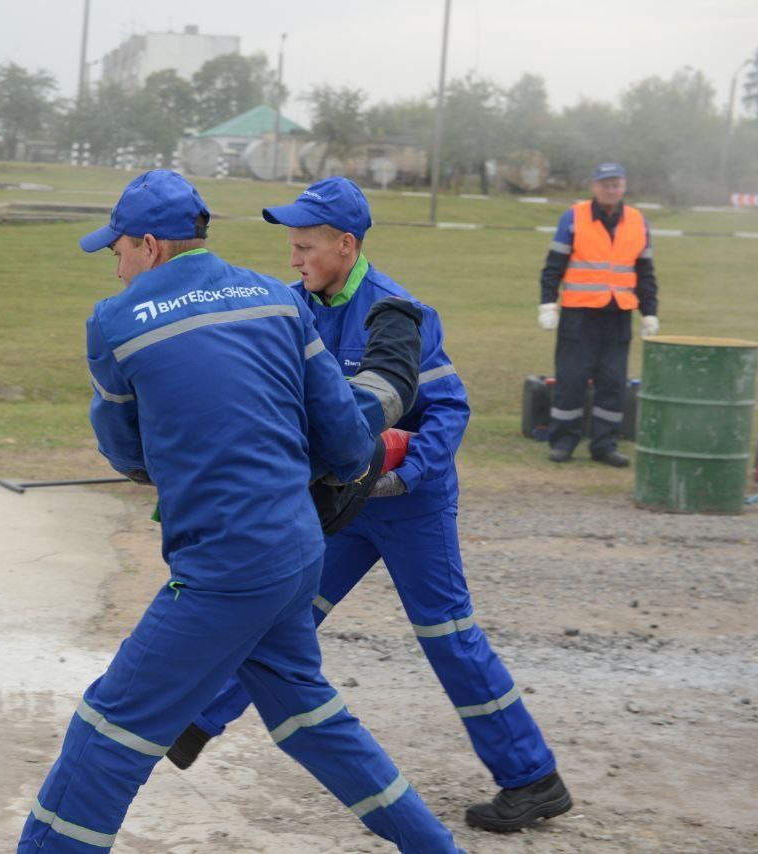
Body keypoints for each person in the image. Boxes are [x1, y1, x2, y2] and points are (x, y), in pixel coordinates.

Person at [17, 170, 462, 852]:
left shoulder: (112, 325)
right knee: (310, 719)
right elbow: (345, 441)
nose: (116, 266)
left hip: (225, 568)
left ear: (150, 247)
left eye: (118, 251)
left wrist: (178, 459)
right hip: (295, 554)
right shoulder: (274, 300)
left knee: (107, 732)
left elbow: (124, 450)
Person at [168, 176, 572, 834]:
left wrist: (401, 478)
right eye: (291, 246)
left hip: (407, 502)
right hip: (341, 505)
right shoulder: (292, 307)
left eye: (305, 246)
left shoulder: (397, 312)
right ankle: (192, 725)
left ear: (346, 245)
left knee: (447, 638)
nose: (293, 258)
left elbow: (448, 408)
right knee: (278, 615)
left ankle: (533, 778)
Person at [538, 161, 659, 466]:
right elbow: (554, 266)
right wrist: (548, 303)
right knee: (571, 379)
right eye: (605, 184)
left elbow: (644, 272)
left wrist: (649, 313)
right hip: (579, 314)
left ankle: (605, 445)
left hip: (619, 315)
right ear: (595, 187)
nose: (611, 189)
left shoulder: (637, 221)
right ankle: (563, 441)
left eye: (616, 184)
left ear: (624, 187)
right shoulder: (574, 217)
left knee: (613, 381)